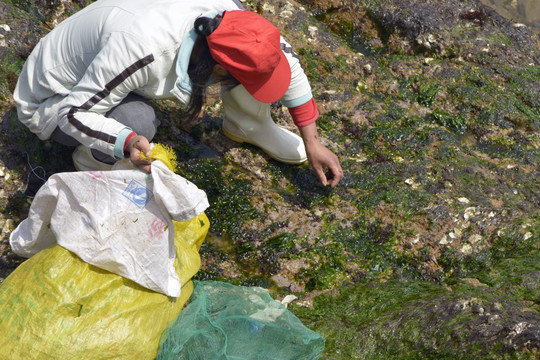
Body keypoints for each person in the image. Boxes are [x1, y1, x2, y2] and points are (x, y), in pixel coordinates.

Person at [13, 0, 343, 187]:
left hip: (104, 70)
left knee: (253, 68)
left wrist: (311, 139)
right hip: (55, 99)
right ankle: (92, 160)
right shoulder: (142, 49)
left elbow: (283, 62)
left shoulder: (232, 18)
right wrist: (125, 142)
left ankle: (246, 125)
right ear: (216, 71)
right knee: (138, 120)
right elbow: (73, 113)